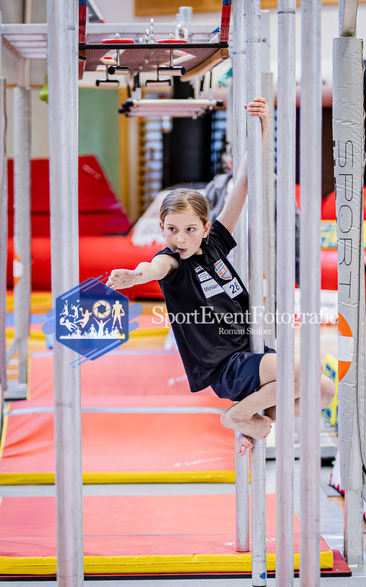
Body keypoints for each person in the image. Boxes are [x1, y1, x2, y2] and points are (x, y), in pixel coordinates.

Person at [107, 97, 335, 456]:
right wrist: (135, 277)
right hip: (225, 365)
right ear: (162, 229)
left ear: (205, 228)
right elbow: (153, 268)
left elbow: (242, 183)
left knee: (323, 391)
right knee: (306, 368)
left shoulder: (214, 244)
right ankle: (237, 416)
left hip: (251, 351)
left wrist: (262, 130)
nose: (180, 239)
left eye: (189, 229)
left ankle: (249, 419)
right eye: (171, 230)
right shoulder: (172, 262)